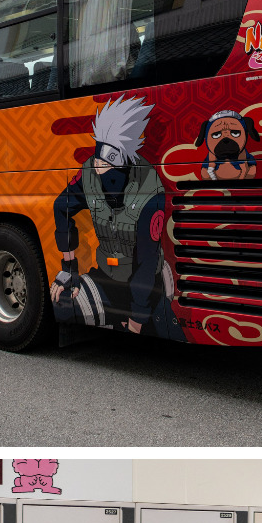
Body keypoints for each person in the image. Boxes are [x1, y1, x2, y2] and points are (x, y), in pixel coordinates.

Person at [53, 95, 179, 340]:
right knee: (61, 301)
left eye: (105, 162)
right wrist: (69, 270)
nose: (97, 167)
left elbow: (146, 258)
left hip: (146, 283)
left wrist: (137, 318)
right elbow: (62, 206)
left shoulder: (149, 190)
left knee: (159, 330)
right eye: (97, 159)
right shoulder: (91, 171)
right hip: (107, 274)